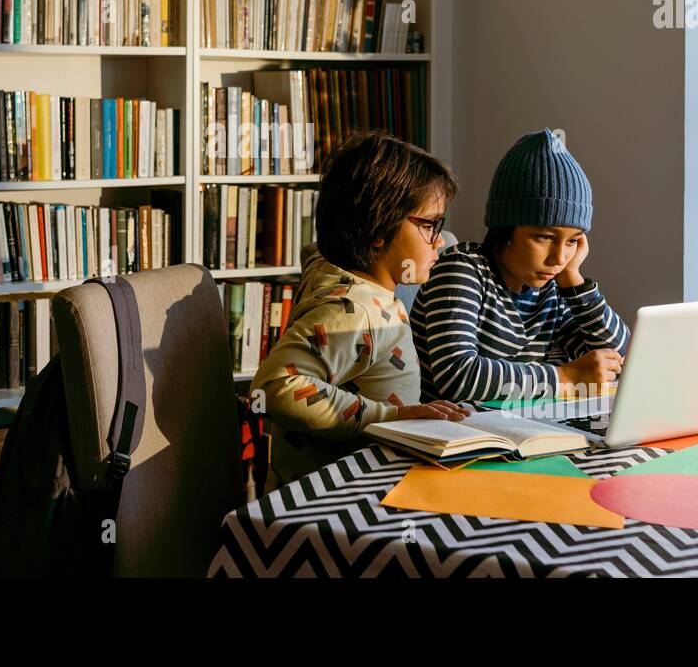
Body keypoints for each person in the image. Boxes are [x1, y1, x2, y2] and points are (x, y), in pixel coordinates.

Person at [251, 131, 464, 492]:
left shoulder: (331, 270)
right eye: (430, 226)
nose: (439, 241)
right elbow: (274, 387)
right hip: (337, 497)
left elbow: (315, 249)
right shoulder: (354, 310)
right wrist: (393, 417)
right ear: (377, 231)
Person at [411, 128, 630, 404]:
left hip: (524, 431)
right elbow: (458, 376)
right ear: (505, 228)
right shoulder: (460, 269)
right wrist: (566, 377)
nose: (559, 258)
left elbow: (618, 360)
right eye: (545, 237)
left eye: (573, 241)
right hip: (455, 437)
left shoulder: (553, 288)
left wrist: (574, 280)